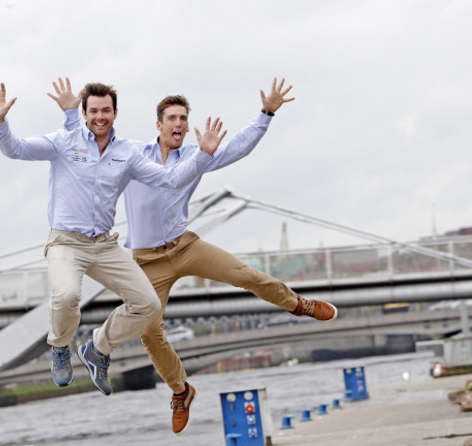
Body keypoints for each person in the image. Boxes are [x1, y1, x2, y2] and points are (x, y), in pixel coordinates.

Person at [51, 77, 338, 435]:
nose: (178, 124)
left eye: (183, 118)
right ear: (159, 125)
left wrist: (266, 113)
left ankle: (299, 305)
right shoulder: (131, 156)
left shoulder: (195, 155)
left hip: (184, 247)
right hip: (145, 259)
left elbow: (236, 149)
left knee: (245, 274)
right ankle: (180, 391)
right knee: (150, 332)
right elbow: (91, 157)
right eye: (171, 118)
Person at [0, 81, 226, 396]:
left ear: (115, 113)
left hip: (105, 246)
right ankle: (59, 347)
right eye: (93, 110)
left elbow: (171, 179)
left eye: (106, 110)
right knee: (68, 294)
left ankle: (97, 349)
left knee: (147, 304)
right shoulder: (64, 142)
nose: (100, 116)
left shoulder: (127, 153)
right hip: (66, 243)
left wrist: (203, 155)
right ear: (83, 113)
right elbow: (14, 149)